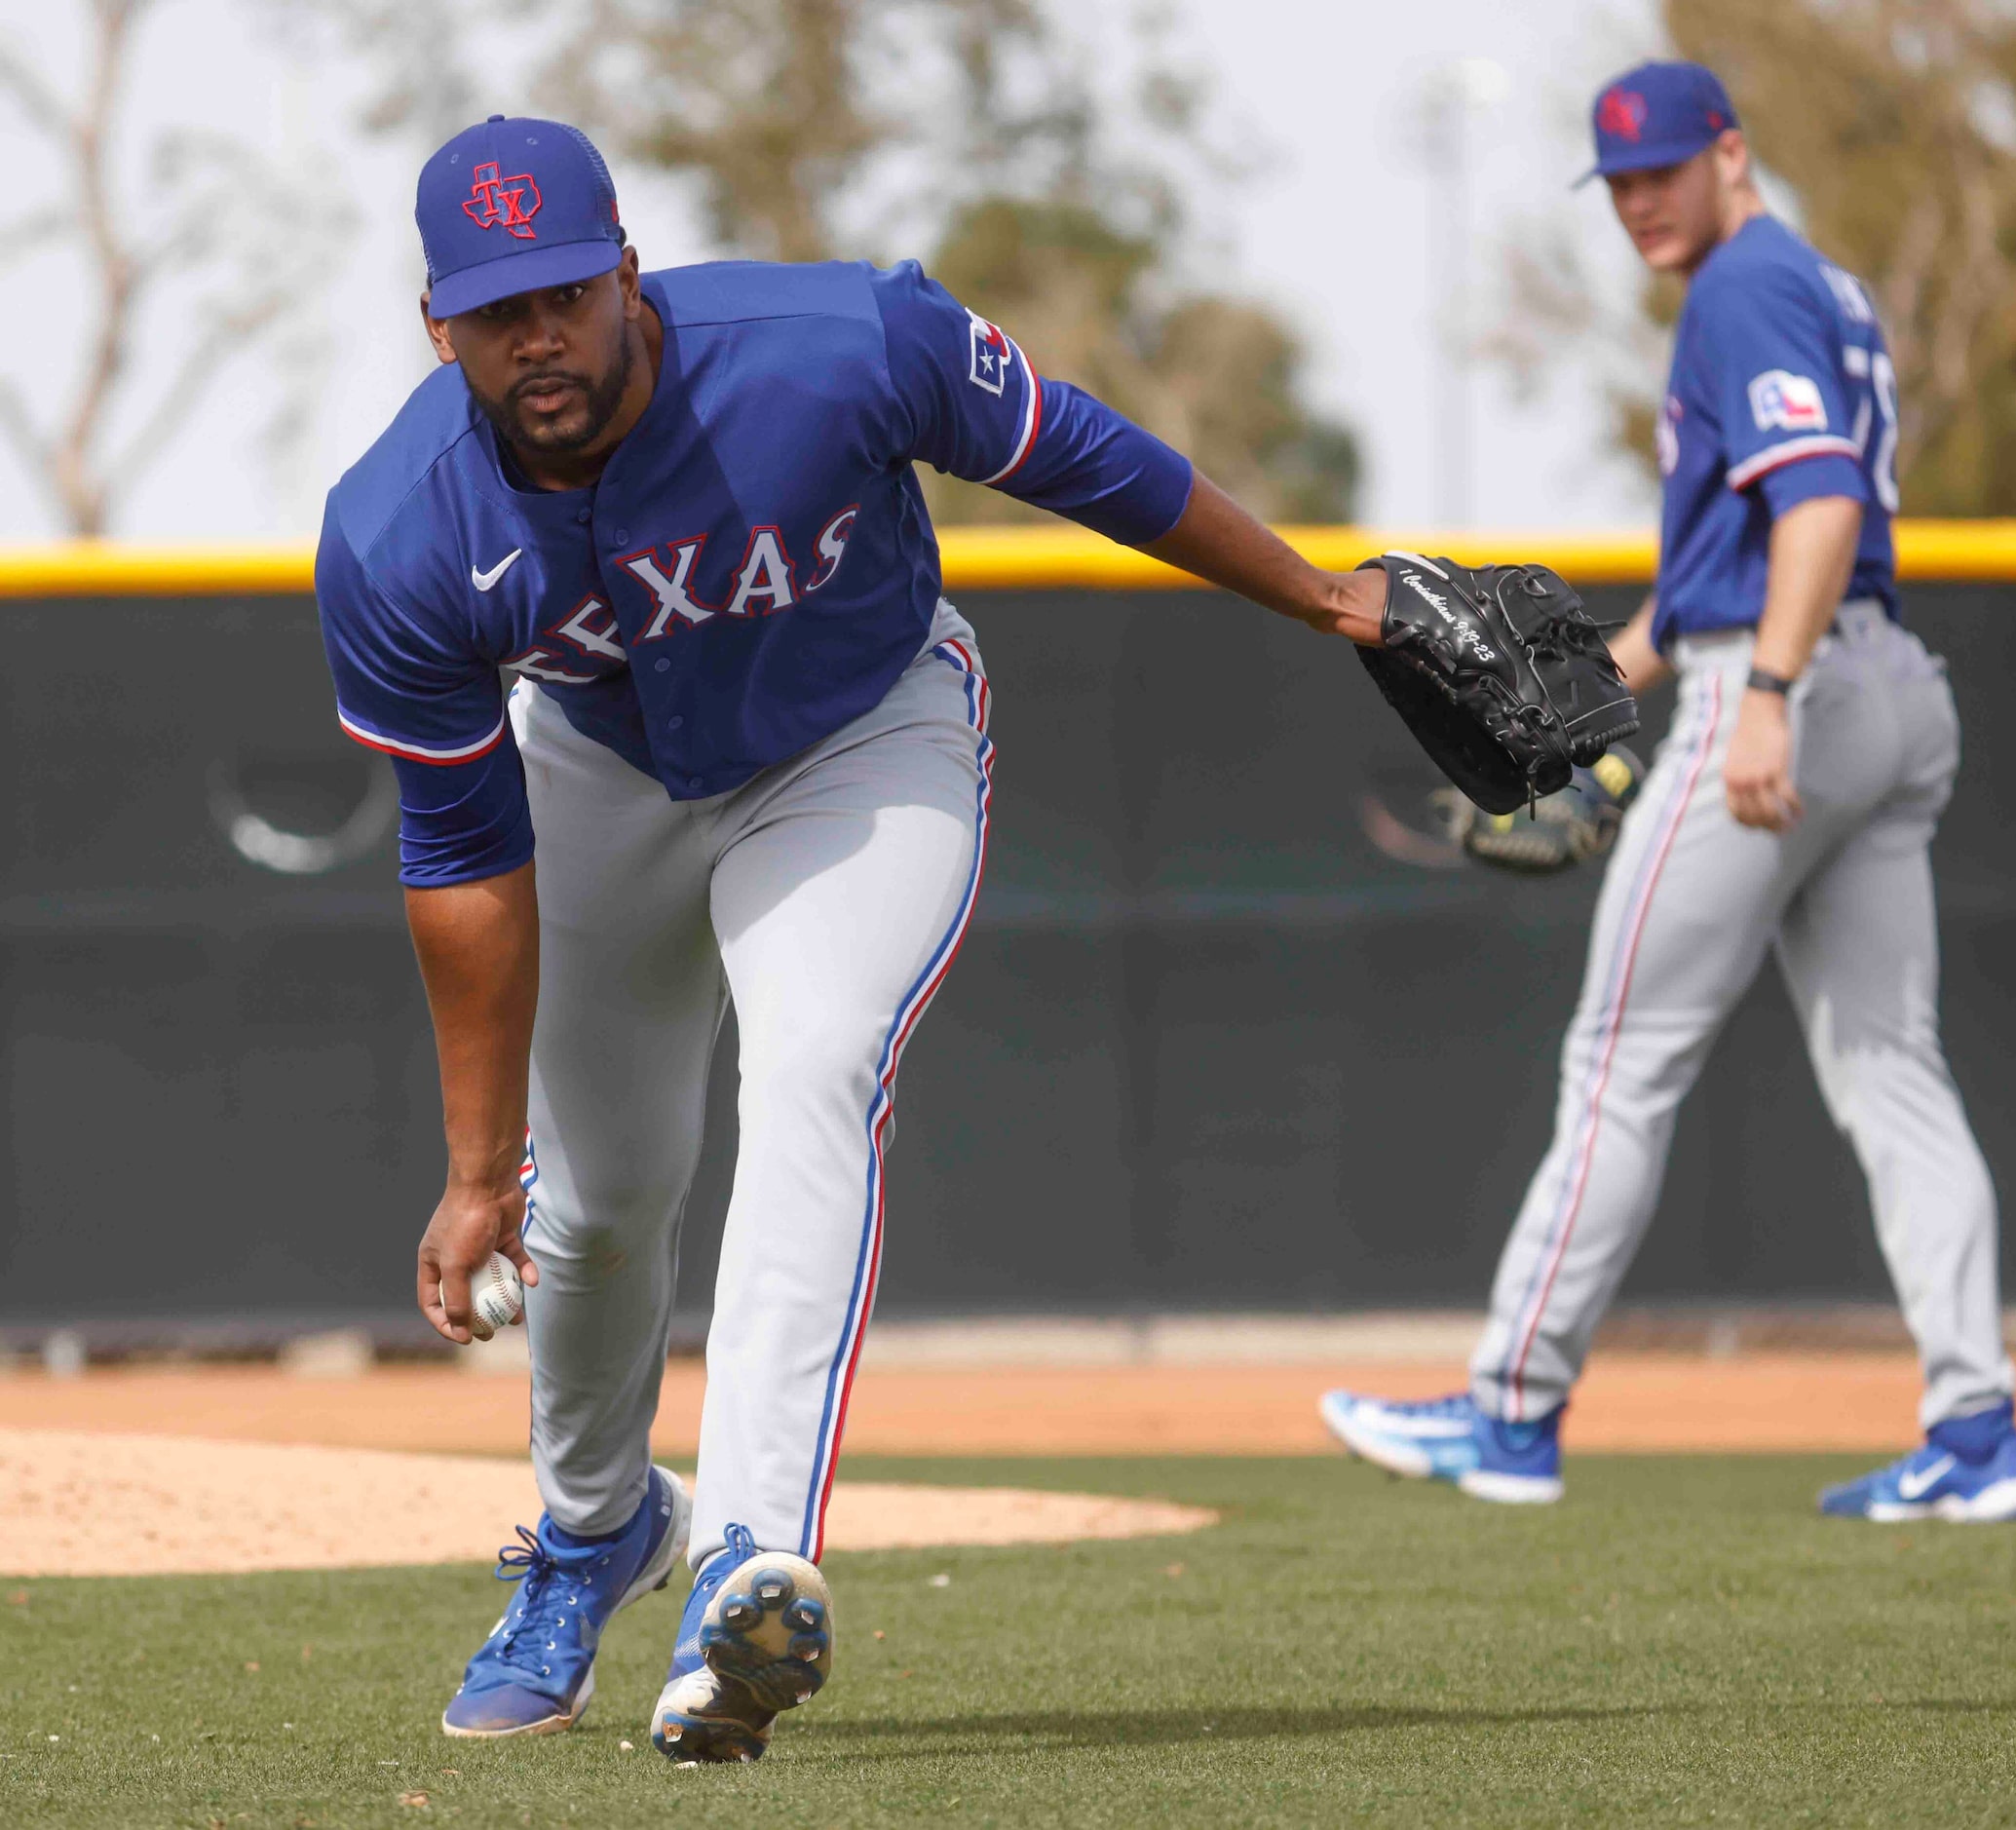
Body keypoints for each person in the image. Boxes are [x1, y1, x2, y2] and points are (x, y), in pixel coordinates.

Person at [317, 114, 1395, 1763]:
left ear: (623, 270)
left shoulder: (837, 344)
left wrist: (1327, 599)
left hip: (857, 737)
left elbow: (1088, 458)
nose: (534, 336)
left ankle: (744, 1558)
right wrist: (477, 1170)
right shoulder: (398, 528)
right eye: (492, 309)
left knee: (815, 1064)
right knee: (596, 1200)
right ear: (436, 322)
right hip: (604, 767)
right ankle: (593, 1528)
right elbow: (462, 857)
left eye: (559, 294)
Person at [1321, 60, 2016, 1524]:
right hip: (1883, 686)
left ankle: (1509, 1409)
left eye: (1662, 170)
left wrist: (1762, 697)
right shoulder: (1812, 285)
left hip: (1793, 689)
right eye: (1619, 183)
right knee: (1895, 1071)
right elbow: (1735, 557)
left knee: (1615, 1061)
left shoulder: (1743, 292)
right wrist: (1604, 696)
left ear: (1728, 153)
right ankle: (1977, 1433)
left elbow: (1820, 504)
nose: (1639, 202)